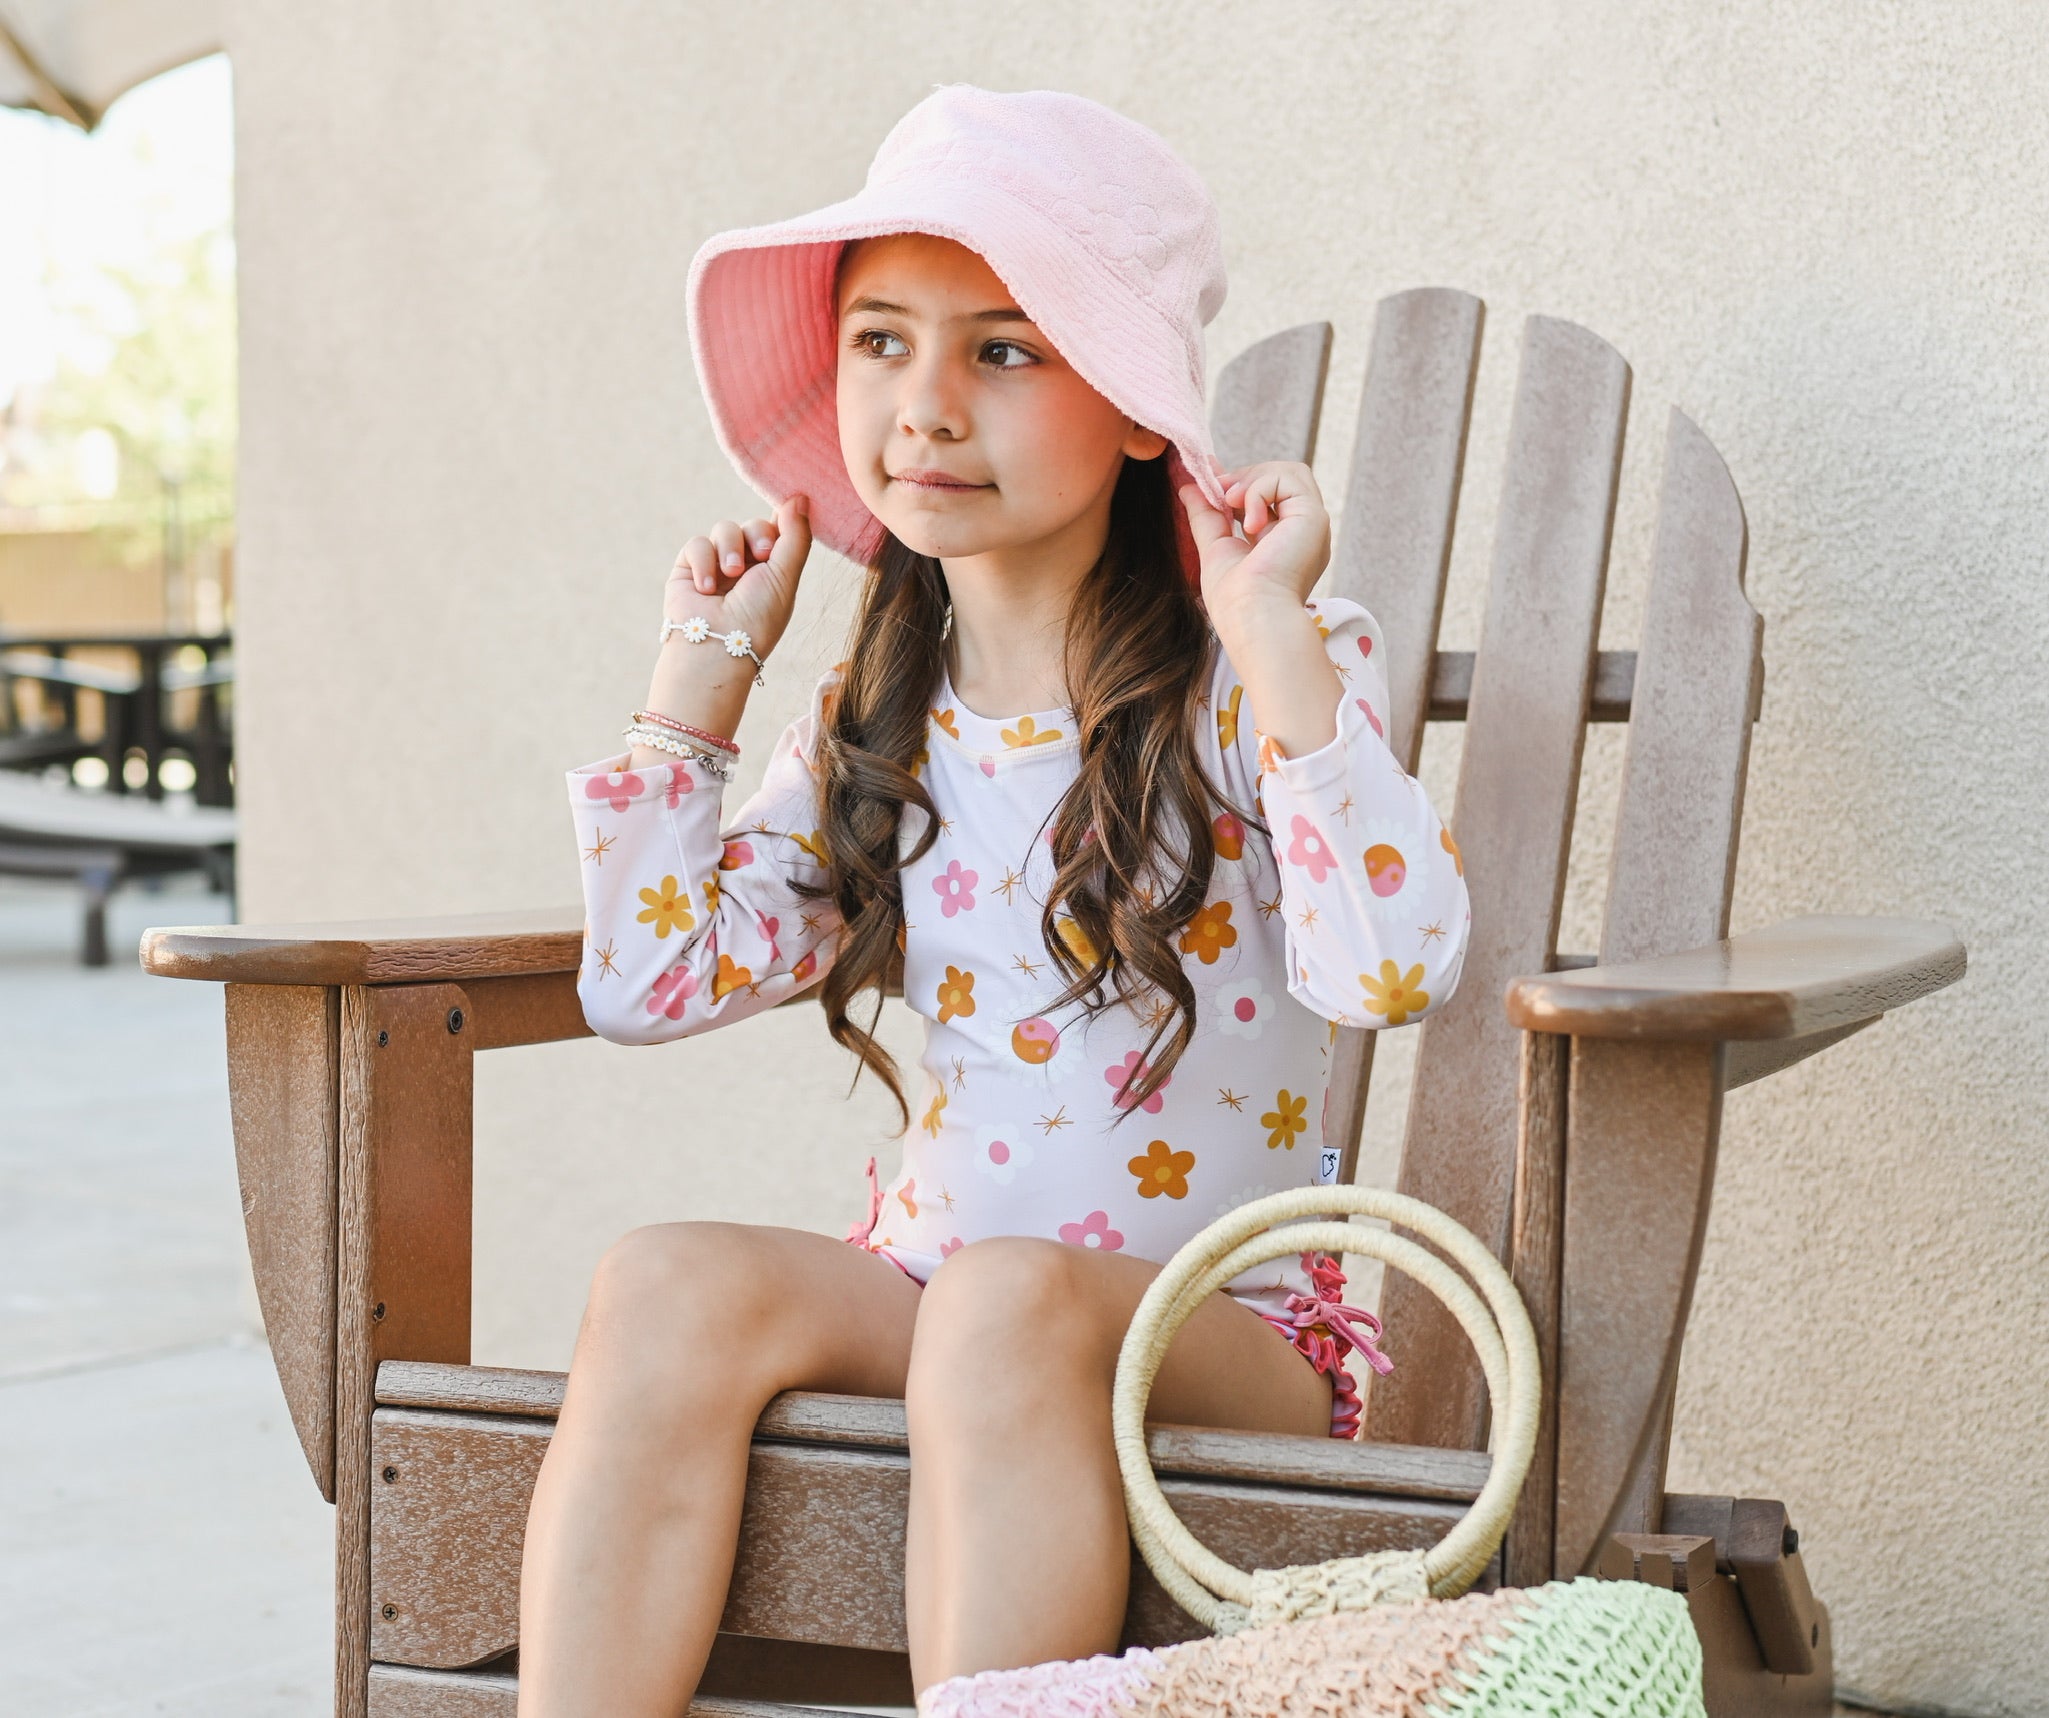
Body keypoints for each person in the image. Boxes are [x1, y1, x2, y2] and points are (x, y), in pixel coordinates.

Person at [524, 82, 1471, 1716]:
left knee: (1003, 1297)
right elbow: (643, 984)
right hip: (943, 1290)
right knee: (667, 1276)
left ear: (1134, 410)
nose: (926, 406)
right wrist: (697, 689)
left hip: (1221, 1326)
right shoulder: (877, 713)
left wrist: (1272, 632)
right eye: (881, 343)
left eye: (1006, 350)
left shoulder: (1250, 676)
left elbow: (1390, 971)